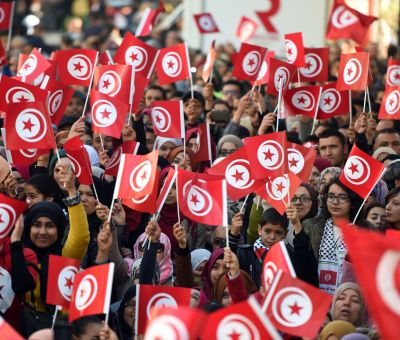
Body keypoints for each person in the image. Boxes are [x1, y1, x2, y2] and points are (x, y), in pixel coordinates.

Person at [11, 166, 89, 336]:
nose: (43, 232)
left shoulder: (64, 257)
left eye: (50, 226)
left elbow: (81, 238)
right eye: (37, 225)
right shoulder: (17, 251)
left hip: (55, 332)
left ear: (59, 230)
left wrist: (71, 191)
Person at [302, 178, 363, 294]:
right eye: (331, 196)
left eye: (342, 197)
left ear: (352, 202)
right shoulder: (310, 227)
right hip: (316, 296)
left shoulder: (365, 230)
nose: (335, 202)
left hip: (349, 298)